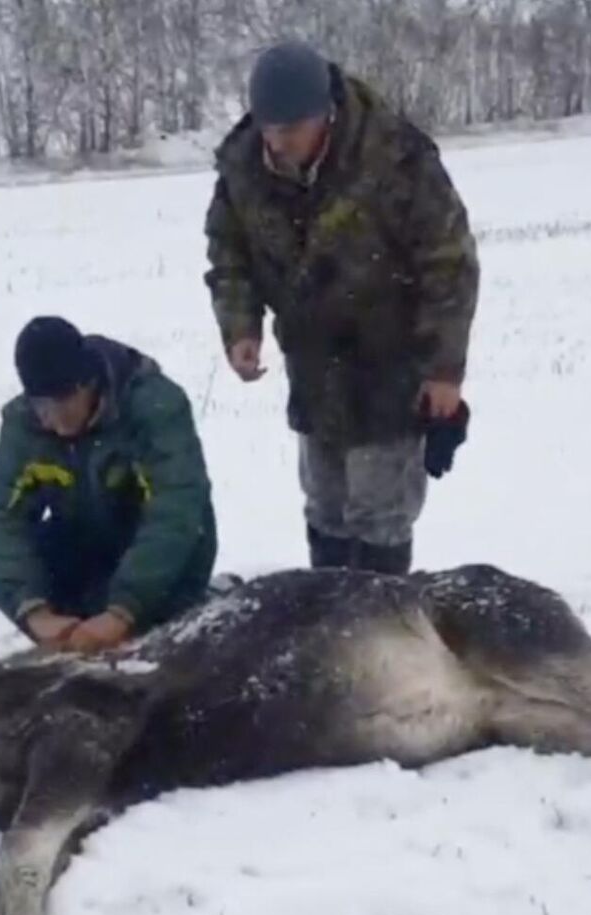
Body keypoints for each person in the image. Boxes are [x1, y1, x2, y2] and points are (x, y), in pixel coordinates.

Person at [202, 39, 479, 574]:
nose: (279, 143)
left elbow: (449, 264)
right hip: (312, 364)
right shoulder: (243, 168)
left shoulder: (395, 158)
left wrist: (444, 370)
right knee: (325, 507)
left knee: (380, 512)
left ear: (326, 113)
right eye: (270, 129)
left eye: (292, 130)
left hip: (390, 361)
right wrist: (240, 327)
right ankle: (331, 632)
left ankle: (385, 637)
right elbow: (229, 253)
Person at [0, 316, 218, 653]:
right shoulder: (24, 423)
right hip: (87, 548)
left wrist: (122, 611)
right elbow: (0, 514)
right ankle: (75, 627)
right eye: (39, 405)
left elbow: (175, 512)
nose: (48, 419)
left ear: (86, 385)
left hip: (157, 556)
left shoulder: (154, 406)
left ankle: (149, 614)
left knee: (170, 570)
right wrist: (34, 611)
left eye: (59, 404)